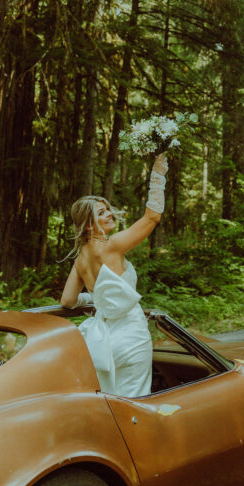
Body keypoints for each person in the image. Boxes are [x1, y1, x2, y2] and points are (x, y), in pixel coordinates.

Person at [60, 153, 168, 398]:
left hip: (102, 341)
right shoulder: (112, 246)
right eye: (101, 213)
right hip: (131, 336)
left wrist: (96, 300)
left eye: (107, 210)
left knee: (109, 402)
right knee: (134, 402)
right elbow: (152, 218)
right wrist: (158, 174)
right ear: (89, 225)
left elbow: (67, 301)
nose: (109, 214)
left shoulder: (80, 259)